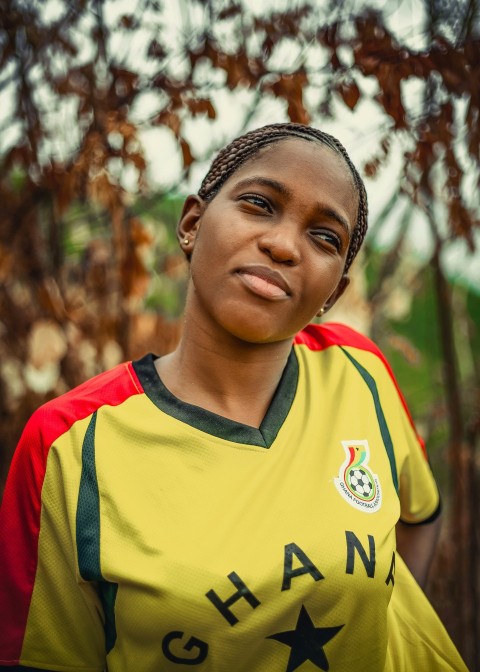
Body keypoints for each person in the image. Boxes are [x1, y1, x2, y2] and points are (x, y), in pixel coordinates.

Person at [0, 123, 467, 672]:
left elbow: (420, 514)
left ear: (334, 290)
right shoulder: (71, 444)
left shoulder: (358, 370)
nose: (284, 244)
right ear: (192, 224)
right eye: (259, 204)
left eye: (325, 237)